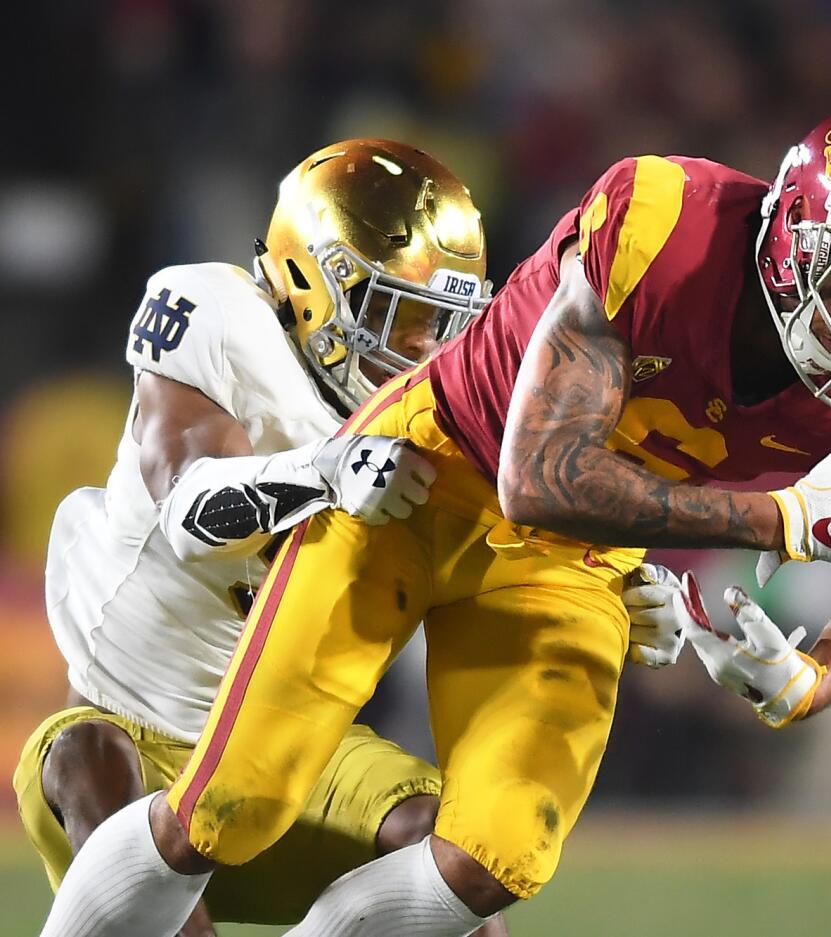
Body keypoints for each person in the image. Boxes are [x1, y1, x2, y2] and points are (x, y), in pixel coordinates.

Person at [40, 102, 831, 937]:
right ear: (793, 236)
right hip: (433, 476)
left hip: (569, 555)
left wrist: (811, 674)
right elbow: (536, 476)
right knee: (230, 807)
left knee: (495, 855)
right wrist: (779, 519)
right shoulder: (665, 226)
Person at [17, 138, 674, 936]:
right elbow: (186, 508)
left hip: (294, 738)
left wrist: (614, 589)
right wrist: (324, 472)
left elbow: (506, 561)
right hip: (126, 726)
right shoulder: (218, 315)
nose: (431, 350)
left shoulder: (442, 415)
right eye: (402, 315)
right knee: (87, 759)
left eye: (446, 322)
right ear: (307, 281)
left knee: (451, 880)